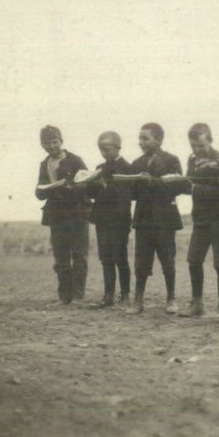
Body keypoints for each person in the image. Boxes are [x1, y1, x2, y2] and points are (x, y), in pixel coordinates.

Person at [178, 123, 219, 318]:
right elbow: (188, 183)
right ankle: (197, 303)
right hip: (200, 218)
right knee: (194, 260)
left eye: (200, 145)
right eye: (193, 145)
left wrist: (195, 188)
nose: (197, 149)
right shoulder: (192, 160)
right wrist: (181, 184)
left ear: (210, 140)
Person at [130, 123, 187, 314]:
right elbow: (132, 193)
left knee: (167, 259)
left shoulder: (171, 160)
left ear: (159, 139)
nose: (141, 142)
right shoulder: (136, 163)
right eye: (140, 138)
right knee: (141, 260)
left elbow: (179, 186)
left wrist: (152, 182)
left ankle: (171, 298)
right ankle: (138, 300)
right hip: (144, 219)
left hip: (165, 219)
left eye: (145, 138)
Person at [34, 125, 91, 305]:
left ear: (61, 141)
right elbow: (39, 191)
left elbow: (88, 184)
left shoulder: (75, 160)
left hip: (77, 214)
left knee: (79, 255)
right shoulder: (44, 164)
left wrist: (71, 188)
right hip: (56, 215)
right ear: (41, 144)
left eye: (54, 142)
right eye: (46, 143)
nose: (51, 146)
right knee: (61, 257)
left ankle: (77, 295)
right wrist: (43, 190)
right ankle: (64, 296)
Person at [86, 131, 133, 309]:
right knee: (105, 258)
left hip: (119, 219)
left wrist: (103, 186)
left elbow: (123, 195)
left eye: (106, 149)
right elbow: (91, 195)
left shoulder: (128, 168)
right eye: (100, 149)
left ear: (117, 147)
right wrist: (89, 183)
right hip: (102, 219)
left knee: (120, 257)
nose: (103, 153)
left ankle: (126, 295)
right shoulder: (100, 168)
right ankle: (108, 295)